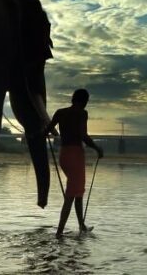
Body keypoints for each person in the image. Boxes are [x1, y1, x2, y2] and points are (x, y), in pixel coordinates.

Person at [45, 88, 104, 236]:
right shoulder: (82, 113)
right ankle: (59, 233)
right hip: (76, 155)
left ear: (73, 99)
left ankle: (81, 226)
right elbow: (83, 136)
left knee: (77, 192)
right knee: (71, 195)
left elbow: (47, 131)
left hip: (64, 155)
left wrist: (49, 133)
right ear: (84, 101)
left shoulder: (60, 112)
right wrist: (97, 148)